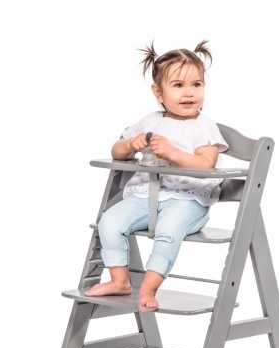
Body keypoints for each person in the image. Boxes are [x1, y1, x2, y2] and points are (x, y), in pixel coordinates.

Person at [85, 40, 228, 311]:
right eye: (178, 85)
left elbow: (206, 163)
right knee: (109, 221)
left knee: (168, 230)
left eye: (196, 84)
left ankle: (149, 287)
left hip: (188, 201)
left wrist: (173, 152)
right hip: (145, 196)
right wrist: (130, 144)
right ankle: (119, 281)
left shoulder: (204, 126)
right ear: (158, 92)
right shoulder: (150, 121)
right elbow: (117, 153)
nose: (189, 92)